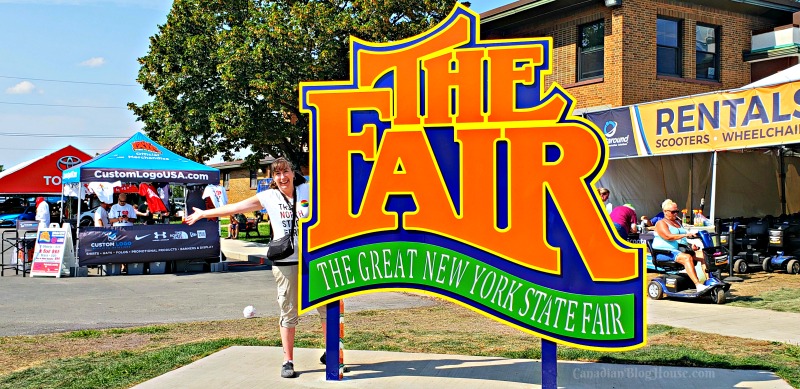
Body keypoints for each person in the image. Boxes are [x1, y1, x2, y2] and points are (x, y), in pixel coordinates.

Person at [184, 157, 326, 379]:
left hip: (314, 257)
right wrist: (204, 213)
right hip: (285, 261)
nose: (282, 177)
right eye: (277, 174)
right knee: (288, 310)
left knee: (326, 307)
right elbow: (234, 207)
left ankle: (331, 352)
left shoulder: (307, 189)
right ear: (273, 178)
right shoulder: (268, 197)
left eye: (285, 172)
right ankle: (288, 360)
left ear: (292, 172)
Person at [652, 199, 709, 292]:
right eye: (673, 212)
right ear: (665, 212)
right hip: (665, 252)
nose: (675, 214)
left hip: (678, 249)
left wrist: (691, 246)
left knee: (704, 255)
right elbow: (668, 237)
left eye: (677, 211)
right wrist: (686, 234)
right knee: (687, 258)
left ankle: (709, 281)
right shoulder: (661, 223)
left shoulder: (678, 222)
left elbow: (681, 239)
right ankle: (698, 285)